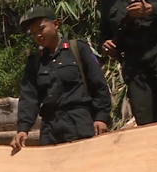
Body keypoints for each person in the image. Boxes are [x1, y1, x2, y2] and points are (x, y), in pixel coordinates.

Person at [11, 6, 112, 150]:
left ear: (56, 24)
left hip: (79, 122)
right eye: (33, 33)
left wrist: (101, 117)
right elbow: (29, 97)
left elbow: (99, 85)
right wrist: (23, 128)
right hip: (50, 129)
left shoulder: (78, 49)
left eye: (41, 29)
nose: (38, 35)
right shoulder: (35, 61)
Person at [100, 0, 157, 125]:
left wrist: (153, 8)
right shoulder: (108, 3)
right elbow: (105, 33)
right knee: (144, 113)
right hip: (134, 60)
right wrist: (105, 44)